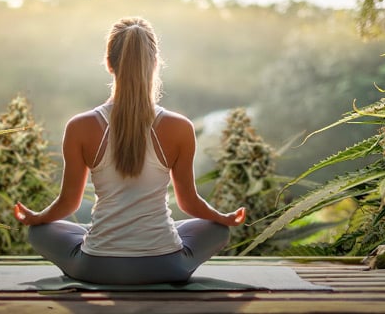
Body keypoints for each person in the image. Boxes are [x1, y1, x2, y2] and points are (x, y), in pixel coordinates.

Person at [14, 17, 245, 284]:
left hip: (97, 267)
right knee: (216, 230)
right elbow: (189, 203)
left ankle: (100, 240)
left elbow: (68, 203)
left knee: (40, 232)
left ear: (109, 63)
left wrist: (37, 217)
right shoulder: (180, 127)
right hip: (166, 266)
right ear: (155, 64)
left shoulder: (80, 127)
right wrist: (223, 218)